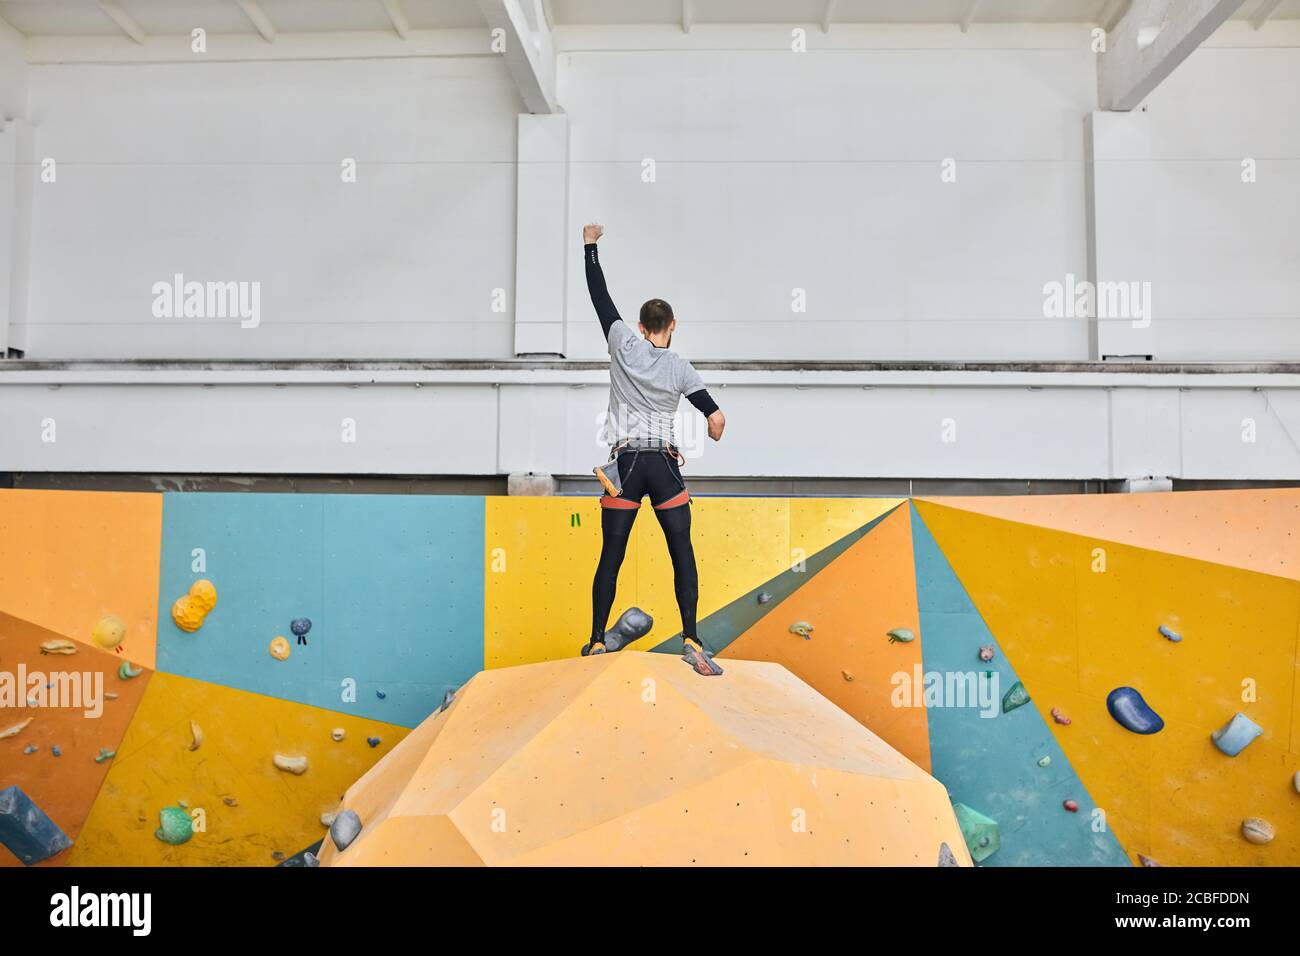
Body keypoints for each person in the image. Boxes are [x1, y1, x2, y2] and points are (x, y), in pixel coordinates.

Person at [579, 222, 726, 676]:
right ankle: (691, 639)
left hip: (624, 465)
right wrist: (710, 425)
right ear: (672, 327)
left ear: (641, 327)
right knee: (681, 551)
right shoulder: (681, 368)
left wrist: (590, 246)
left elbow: (599, 298)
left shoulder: (622, 343)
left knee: (612, 556)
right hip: (663, 464)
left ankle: (599, 640)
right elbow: (716, 423)